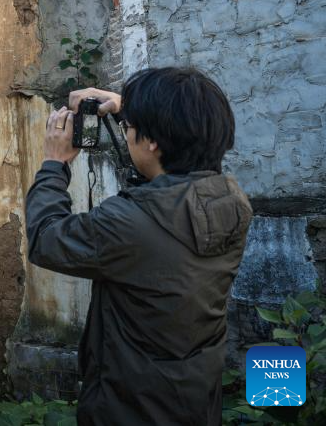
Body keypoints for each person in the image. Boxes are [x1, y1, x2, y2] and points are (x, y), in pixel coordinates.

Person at [25, 67, 252, 425]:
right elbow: (160, 185)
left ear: (153, 142)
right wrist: (129, 111)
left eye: (131, 128)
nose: (127, 133)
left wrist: (54, 163)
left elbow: (45, 239)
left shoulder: (129, 223)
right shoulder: (231, 201)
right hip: (193, 395)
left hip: (130, 405)